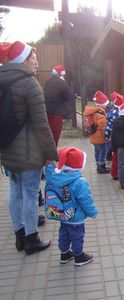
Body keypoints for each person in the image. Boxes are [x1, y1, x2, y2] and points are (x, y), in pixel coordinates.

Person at [0, 41, 58, 254]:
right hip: (29, 151)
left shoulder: (2, 80)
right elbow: (41, 125)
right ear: (23, 61)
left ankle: (20, 236)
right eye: (34, 59)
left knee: (15, 192)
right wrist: (51, 154)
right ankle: (32, 239)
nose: (37, 63)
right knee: (31, 193)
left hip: (7, 149)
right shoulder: (29, 83)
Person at [45, 147, 98, 265]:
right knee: (77, 236)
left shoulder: (55, 177)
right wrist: (93, 212)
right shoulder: (80, 181)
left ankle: (64, 254)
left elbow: (48, 172)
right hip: (76, 217)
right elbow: (85, 200)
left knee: (63, 234)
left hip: (62, 214)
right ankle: (79, 256)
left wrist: (50, 165)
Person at [44, 65, 74, 146]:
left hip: (46, 112)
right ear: (60, 74)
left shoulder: (47, 82)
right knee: (55, 136)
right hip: (57, 113)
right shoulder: (62, 83)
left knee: (48, 135)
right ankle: (52, 157)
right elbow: (70, 97)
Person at [83, 91, 109, 174]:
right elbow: (102, 127)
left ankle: (98, 164)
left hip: (93, 136)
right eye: (105, 104)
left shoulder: (93, 111)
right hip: (100, 137)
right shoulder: (101, 114)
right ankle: (101, 166)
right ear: (102, 104)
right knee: (103, 151)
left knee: (97, 151)